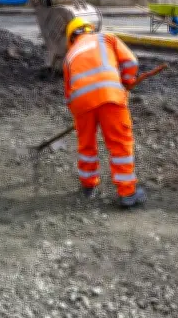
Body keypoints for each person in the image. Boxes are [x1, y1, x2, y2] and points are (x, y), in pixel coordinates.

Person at [63, 17, 146, 208]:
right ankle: (127, 193)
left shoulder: (69, 57)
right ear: (89, 29)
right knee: (119, 143)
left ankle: (88, 185)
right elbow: (131, 61)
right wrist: (126, 81)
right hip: (110, 97)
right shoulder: (105, 38)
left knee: (86, 144)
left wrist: (80, 114)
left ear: (71, 38)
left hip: (81, 103)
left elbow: (68, 93)